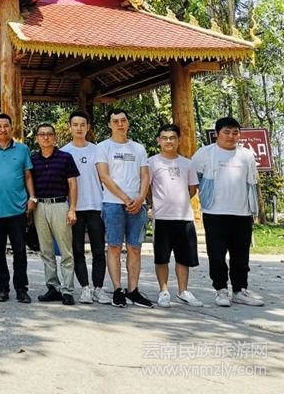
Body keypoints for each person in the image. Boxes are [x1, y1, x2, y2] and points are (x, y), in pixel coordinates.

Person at [191, 117, 263, 307]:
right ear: (217, 134)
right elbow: (193, 179)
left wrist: (253, 209)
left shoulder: (247, 155)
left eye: (235, 132)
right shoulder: (205, 153)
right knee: (216, 254)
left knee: (241, 255)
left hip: (242, 213)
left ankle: (240, 290)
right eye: (226, 132)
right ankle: (221, 290)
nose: (231, 136)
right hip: (214, 212)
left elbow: (252, 182)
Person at [95, 108, 153, 308]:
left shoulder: (138, 148)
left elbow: (145, 175)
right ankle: (118, 289)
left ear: (128, 123)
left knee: (135, 248)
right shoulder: (103, 147)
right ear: (109, 125)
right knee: (114, 246)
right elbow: (104, 176)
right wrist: (126, 198)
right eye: (115, 121)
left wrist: (141, 198)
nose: (120, 124)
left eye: (123, 120)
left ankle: (133, 290)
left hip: (138, 203)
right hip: (113, 203)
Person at [0, 113, 35, 303]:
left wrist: (32, 198)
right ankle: (2, 288)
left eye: (6, 125)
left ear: (11, 128)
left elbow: (28, 175)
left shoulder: (22, 149)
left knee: (20, 251)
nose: (3, 129)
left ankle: (21, 289)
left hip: (18, 209)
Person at [149, 124, 203, 308]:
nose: (168, 141)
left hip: (184, 218)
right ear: (158, 140)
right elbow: (147, 188)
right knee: (161, 257)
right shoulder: (152, 162)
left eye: (172, 138)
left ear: (179, 140)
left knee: (183, 257)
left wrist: (179, 201)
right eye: (164, 138)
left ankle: (183, 291)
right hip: (162, 218)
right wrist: (154, 204)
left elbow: (192, 189)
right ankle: (163, 291)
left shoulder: (187, 163)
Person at [61, 110, 110, 304]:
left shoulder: (98, 150)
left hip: (96, 205)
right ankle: (85, 288)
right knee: (77, 250)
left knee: (99, 249)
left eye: (83, 124)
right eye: (75, 125)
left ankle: (98, 288)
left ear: (88, 127)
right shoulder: (64, 152)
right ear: (70, 127)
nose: (79, 128)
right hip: (74, 208)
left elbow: (105, 178)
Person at [30, 123, 79, 306]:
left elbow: (73, 184)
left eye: (49, 134)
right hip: (40, 206)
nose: (46, 137)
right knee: (46, 250)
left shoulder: (65, 157)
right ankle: (53, 287)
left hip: (60, 205)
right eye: (42, 134)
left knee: (66, 251)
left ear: (54, 137)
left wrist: (72, 209)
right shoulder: (33, 159)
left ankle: (67, 290)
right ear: (37, 138)